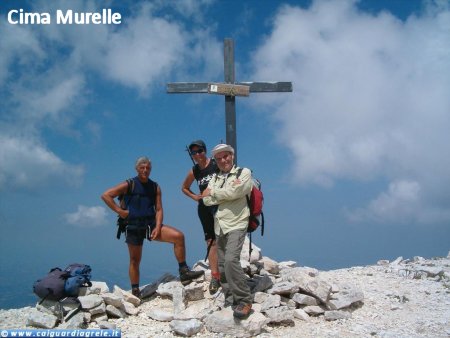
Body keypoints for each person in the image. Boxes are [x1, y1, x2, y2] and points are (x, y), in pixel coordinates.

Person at [101, 156, 204, 297]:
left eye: (148, 168)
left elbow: (159, 209)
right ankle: (135, 291)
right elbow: (106, 195)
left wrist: (158, 226)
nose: (145, 170)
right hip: (133, 226)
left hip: (150, 224)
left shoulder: (155, 186)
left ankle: (184, 272)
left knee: (178, 237)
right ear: (137, 169)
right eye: (142, 168)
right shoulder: (129, 184)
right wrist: (120, 211)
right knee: (135, 260)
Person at [201, 144, 253, 319]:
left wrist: (214, 192)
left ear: (232, 156)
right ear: (215, 160)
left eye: (226, 156)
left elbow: (238, 191)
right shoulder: (215, 177)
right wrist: (223, 193)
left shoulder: (244, 173)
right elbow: (206, 200)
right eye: (219, 158)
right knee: (222, 265)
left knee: (231, 261)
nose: (223, 160)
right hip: (220, 225)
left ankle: (244, 300)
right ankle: (230, 298)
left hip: (238, 223)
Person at [181, 140, 221, 295]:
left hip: (220, 205)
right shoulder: (194, 171)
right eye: (194, 153)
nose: (197, 155)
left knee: (225, 238)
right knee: (211, 241)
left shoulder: (215, 164)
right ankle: (215, 277)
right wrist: (194, 197)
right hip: (204, 208)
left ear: (205, 150)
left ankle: (230, 273)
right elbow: (184, 188)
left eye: (200, 151)